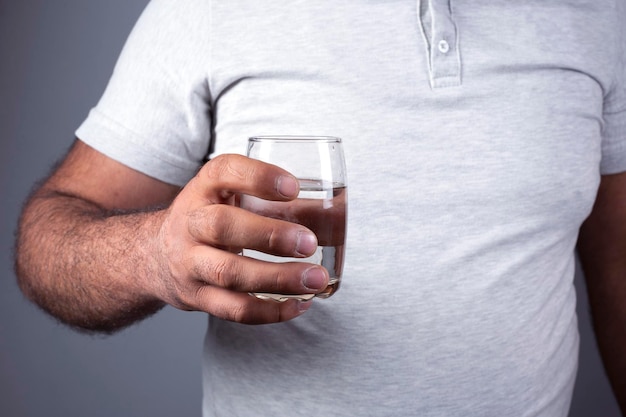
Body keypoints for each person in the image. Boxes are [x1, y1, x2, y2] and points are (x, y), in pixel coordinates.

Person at [13, 0, 626, 415]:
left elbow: (618, 268)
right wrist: (154, 258)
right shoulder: (208, 11)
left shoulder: (600, 18)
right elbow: (49, 238)